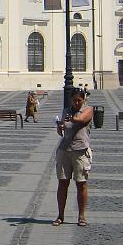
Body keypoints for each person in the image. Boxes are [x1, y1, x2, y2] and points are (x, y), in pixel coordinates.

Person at [54, 93, 93, 227]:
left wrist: (71, 119)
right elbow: (62, 132)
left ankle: (81, 216)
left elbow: (81, 120)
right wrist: (60, 127)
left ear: (83, 100)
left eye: (79, 100)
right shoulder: (66, 111)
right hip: (64, 149)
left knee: (81, 183)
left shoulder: (88, 109)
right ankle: (60, 215)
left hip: (80, 150)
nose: (76, 103)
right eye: (74, 100)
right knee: (62, 183)